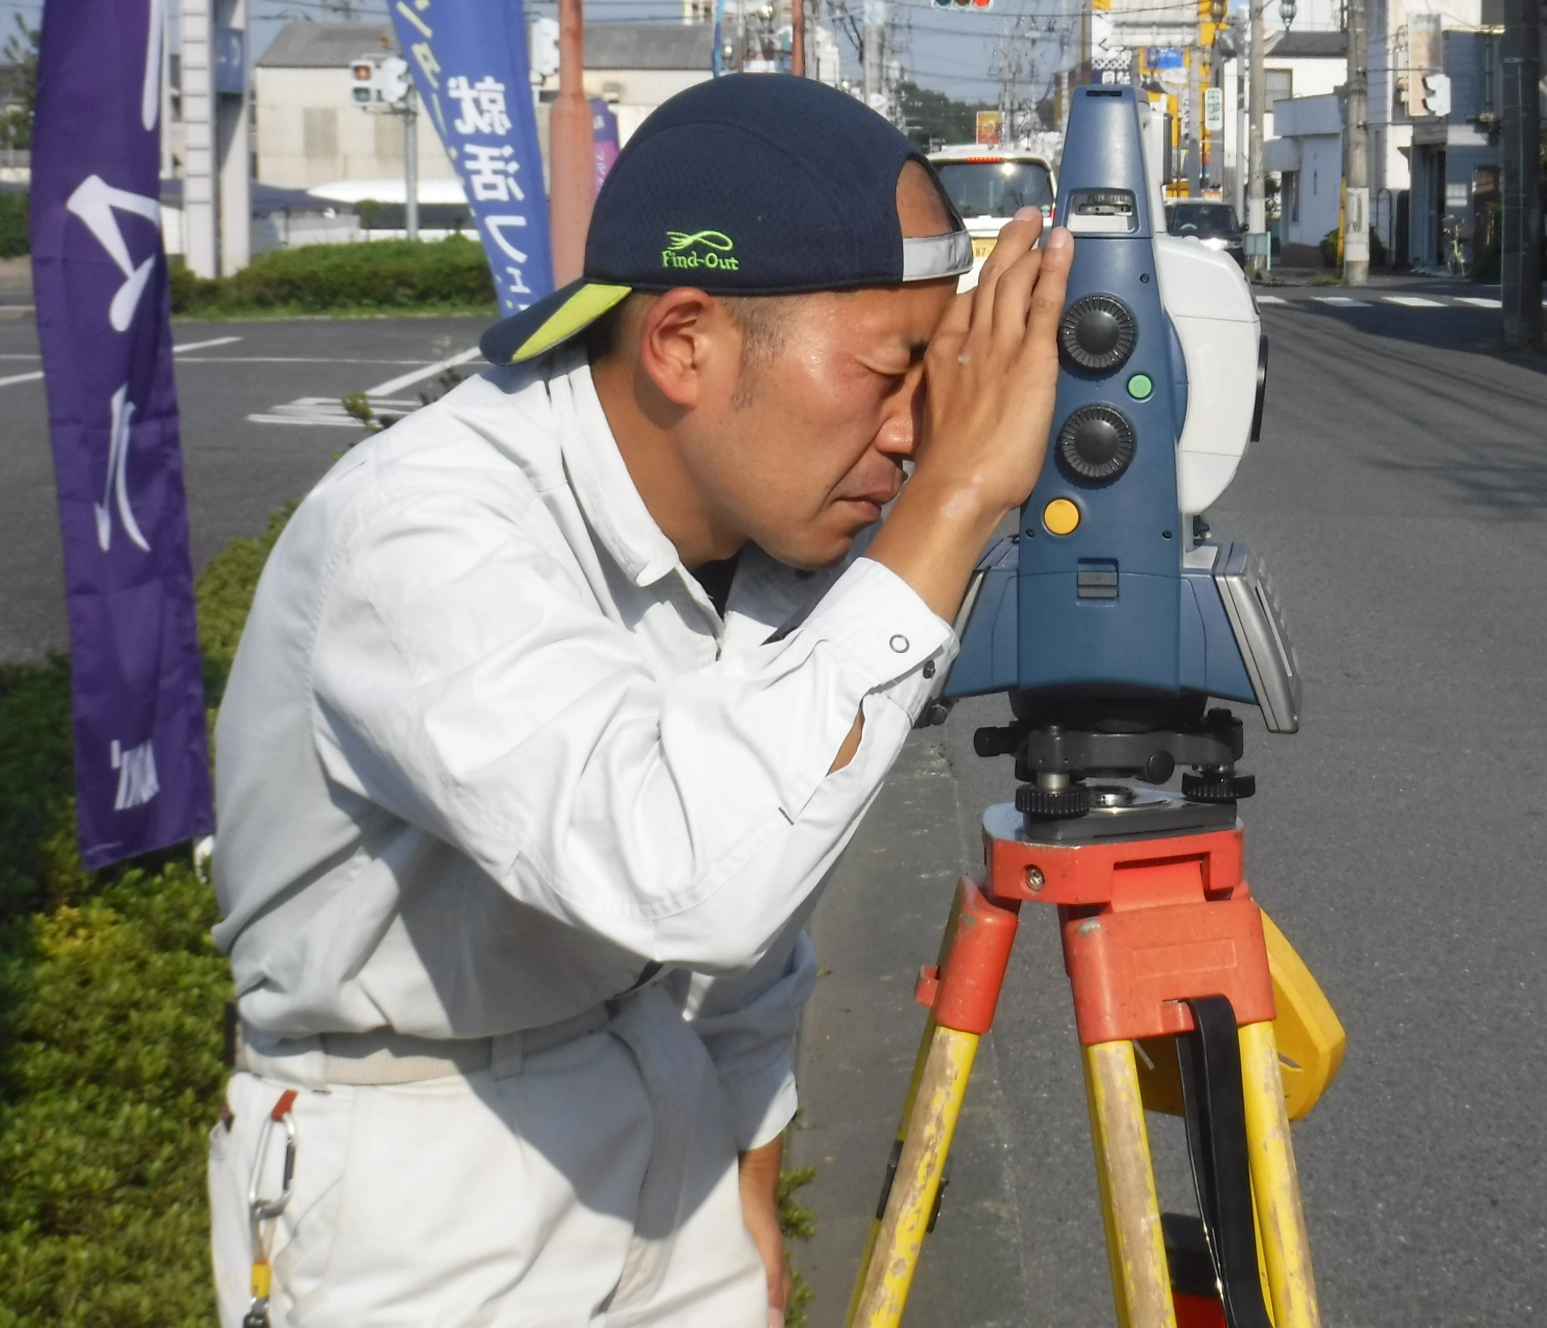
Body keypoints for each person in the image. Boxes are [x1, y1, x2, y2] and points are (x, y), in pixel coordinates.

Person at [205, 74, 1073, 1328]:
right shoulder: (423, 533)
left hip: (662, 1098)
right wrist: (956, 502)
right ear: (680, 342)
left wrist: (748, 1171)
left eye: (938, 382)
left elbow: (761, 911)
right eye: (889, 373)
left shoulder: (766, 531)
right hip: (412, 1171)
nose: (915, 433)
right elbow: (684, 873)